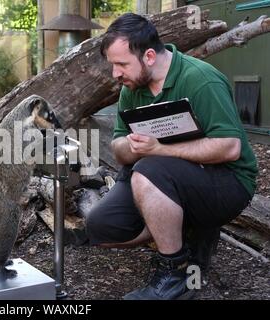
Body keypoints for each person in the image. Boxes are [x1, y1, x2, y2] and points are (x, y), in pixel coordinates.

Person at [85, 13, 257, 300]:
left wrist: (158, 149)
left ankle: (175, 274)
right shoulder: (133, 86)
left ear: (149, 56)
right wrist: (132, 145)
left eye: (121, 64)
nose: (115, 73)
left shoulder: (201, 79)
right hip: (161, 175)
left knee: (149, 171)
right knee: (102, 227)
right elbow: (118, 147)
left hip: (227, 182)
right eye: (113, 64)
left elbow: (230, 147)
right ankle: (182, 232)